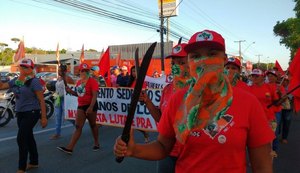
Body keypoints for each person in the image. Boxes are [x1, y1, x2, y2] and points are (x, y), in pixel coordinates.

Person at [114, 30, 275, 173]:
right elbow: (163, 147)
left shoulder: (248, 102)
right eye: (196, 56)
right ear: (190, 61)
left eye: (212, 54)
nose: (203, 61)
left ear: (224, 60)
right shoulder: (177, 99)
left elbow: (262, 167)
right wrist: (134, 150)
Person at [139, 43, 191, 173]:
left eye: (181, 62)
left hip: (191, 154)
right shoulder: (167, 90)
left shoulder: (200, 91)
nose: (176, 66)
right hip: (167, 152)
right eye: (173, 63)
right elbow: (162, 120)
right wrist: (148, 101)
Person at [0, 58, 47, 173]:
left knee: (21, 139)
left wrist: (44, 117)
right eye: (22, 66)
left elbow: (41, 100)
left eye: (27, 67)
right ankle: (34, 162)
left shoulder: (34, 81)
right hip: (20, 113)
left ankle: (21, 168)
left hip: (32, 113)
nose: (24, 68)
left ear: (31, 68)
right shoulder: (16, 80)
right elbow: (2, 86)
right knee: (28, 137)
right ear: (19, 67)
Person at [57, 63, 100, 154]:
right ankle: (70, 148)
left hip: (91, 105)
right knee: (78, 127)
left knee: (93, 125)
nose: (84, 72)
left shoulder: (92, 81)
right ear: (79, 72)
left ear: (88, 72)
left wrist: (91, 107)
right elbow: (79, 94)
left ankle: (96, 143)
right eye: (82, 70)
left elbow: (95, 95)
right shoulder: (79, 82)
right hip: (81, 106)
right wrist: (71, 91)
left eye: (86, 71)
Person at [249, 68, 279, 158]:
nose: (254, 78)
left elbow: (276, 102)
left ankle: (267, 160)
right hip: (255, 120)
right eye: (253, 76)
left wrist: (281, 96)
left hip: (269, 118)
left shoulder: (270, 87)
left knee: (268, 142)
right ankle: (256, 159)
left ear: (262, 77)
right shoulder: (249, 89)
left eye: (257, 76)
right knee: (256, 142)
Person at [127, 66, 150, 143]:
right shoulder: (131, 81)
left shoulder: (143, 82)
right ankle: (130, 141)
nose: (134, 73)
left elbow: (144, 92)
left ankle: (144, 133)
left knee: (136, 123)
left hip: (140, 105)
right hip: (132, 105)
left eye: (135, 71)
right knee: (131, 124)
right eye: (133, 71)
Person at [50, 65, 66, 140]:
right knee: (57, 116)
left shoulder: (67, 78)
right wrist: (55, 95)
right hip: (58, 99)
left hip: (65, 99)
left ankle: (78, 127)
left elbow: (72, 87)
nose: (59, 72)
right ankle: (57, 133)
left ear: (64, 71)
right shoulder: (58, 78)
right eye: (58, 70)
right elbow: (57, 89)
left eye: (60, 70)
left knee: (67, 117)